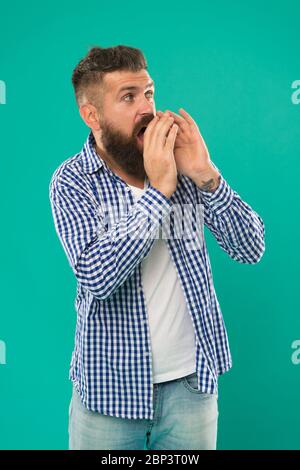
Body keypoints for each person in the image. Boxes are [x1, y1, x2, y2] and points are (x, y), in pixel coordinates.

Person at [49, 45, 265, 450]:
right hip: (107, 396)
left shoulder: (184, 166)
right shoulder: (72, 182)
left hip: (191, 388)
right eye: (128, 97)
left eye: (148, 93)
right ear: (91, 115)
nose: (146, 108)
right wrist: (159, 190)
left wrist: (206, 175)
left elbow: (251, 248)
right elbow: (97, 277)